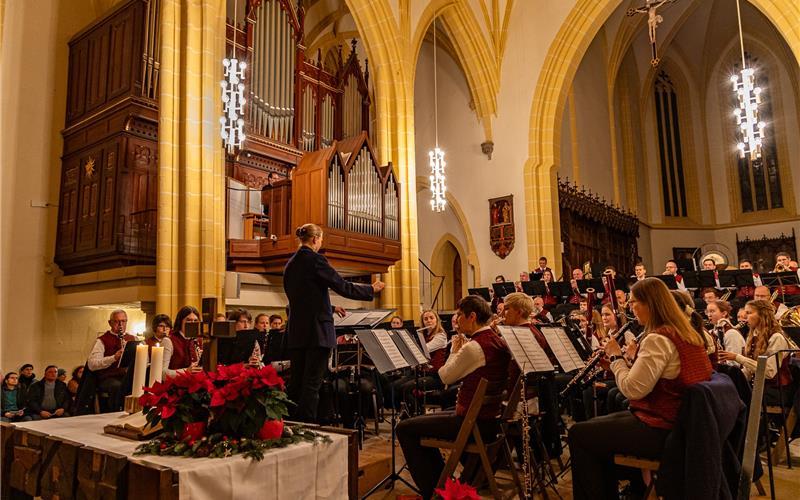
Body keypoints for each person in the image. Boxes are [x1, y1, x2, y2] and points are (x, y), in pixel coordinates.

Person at [568, 278, 712, 500]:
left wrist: (615, 357)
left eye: (634, 302)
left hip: (664, 427)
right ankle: (636, 489)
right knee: (595, 428)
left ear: (650, 304)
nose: (630, 307)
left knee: (579, 434)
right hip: (684, 423)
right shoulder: (685, 333)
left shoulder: (658, 338)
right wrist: (617, 365)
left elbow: (632, 390)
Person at [396, 295, 511, 499]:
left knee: (404, 428)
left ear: (472, 316)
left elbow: (445, 377)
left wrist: (455, 351)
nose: (456, 321)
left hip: (473, 423)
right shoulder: (497, 341)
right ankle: (445, 484)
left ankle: (435, 490)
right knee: (419, 421)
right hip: (489, 419)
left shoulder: (474, 347)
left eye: (459, 315)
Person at [283, 223, 384, 423]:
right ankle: (308, 429)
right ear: (315, 239)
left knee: (296, 385)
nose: (320, 243)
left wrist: (330, 307)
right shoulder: (316, 259)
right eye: (321, 240)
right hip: (317, 332)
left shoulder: (291, 263)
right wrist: (371, 289)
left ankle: (292, 427)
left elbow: (303, 299)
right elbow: (343, 286)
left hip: (296, 332)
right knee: (312, 385)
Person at [718, 300, 797, 406]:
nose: (745, 317)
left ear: (762, 315)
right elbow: (749, 371)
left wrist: (737, 357)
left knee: (732, 401)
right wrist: (730, 380)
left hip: (776, 391)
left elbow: (769, 372)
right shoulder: (754, 336)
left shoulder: (776, 337)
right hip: (758, 387)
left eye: (749, 313)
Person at [86, 310, 137, 408]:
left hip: (127, 376)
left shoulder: (133, 338)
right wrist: (114, 357)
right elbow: (92, 364)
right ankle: (116, 412)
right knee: (118, 386)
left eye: (123, 321)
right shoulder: (102, 340)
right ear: (110, 323)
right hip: (109, 378)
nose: (120, 325)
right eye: (117, 321)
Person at [162, 306, 203, 378]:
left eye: (195, 321)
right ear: (180, 321)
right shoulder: (168, 341)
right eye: (188, 320)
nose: (192, 323)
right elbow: (162, 373)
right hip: (175, 384)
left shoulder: (197, 340)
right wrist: (186, 371)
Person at [706, 300, 746, 367]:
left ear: (724, 313)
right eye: (707, 312)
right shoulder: (711, 332)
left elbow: (734, 364)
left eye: (712, 311)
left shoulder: (732, 334)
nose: (709, 315)